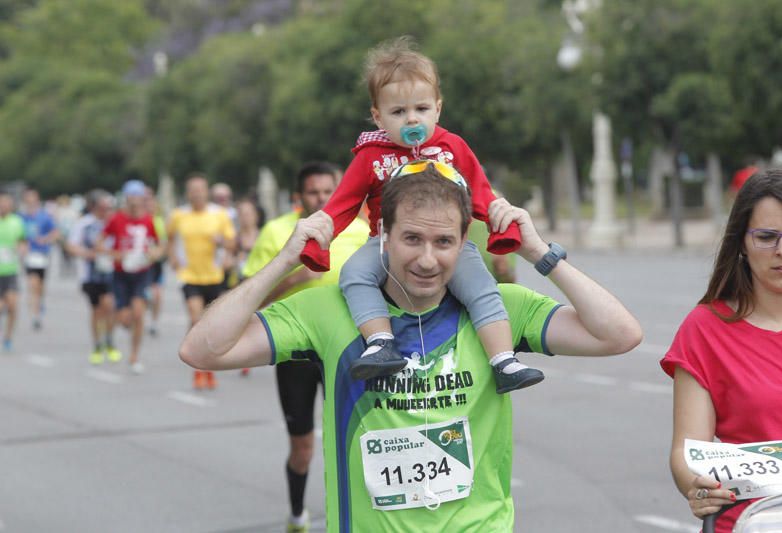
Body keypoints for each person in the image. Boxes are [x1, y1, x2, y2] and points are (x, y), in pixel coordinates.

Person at [180, 162, 642, 532]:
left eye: (444, 241)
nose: (427, 259)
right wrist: (284, 260)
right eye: (412, 239)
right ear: (382, 235)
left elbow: (619, 334)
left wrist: (539, 253)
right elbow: (203, 350)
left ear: (464, 242)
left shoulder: (499, 313)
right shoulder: (328, 310)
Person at [299, 36, 540, 395]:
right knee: (353, 273)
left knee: (482, 288)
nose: (412, 119)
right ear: (379, 116)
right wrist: (322, 232)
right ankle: (381, 342)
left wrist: (497, 218)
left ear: (438, 109)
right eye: (398, 112)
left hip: (446, 245)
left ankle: (503, 359)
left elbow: (481, 191)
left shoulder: (451, 146)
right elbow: (343, 203)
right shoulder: (371, 155)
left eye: (421, 109)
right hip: (385, 244)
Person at [662, 168, 782, 532]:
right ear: (741, 241)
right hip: (751, 523)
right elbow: (687, 450)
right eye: (767, 237)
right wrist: (696, 485)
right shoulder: (705, 329)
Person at [241, 162, 369, 532]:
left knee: (355, 441)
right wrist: (296, 275)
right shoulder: (278, 232)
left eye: (328, 190)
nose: (321, 198)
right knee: (303, 447)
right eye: (312, 192)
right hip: (294, 352)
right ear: (299, 196)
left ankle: (353, 518)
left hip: (345, 353)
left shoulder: (360, 232)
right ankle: (297, 514)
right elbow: (250, 295)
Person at [167, 174, 235, 390]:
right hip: (189, 275)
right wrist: (173, 258)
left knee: (210, 323)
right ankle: (198, 368)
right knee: (196, 317)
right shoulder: (179, 215)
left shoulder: (220, 214)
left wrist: (223, 248)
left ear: (207, 192)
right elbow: (169, 239)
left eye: (200, 189)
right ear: (188, 193)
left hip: (214, 275)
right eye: (193, 190)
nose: (197, 193)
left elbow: (232, 243)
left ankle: (208, 367)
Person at [98, 180, 163, 374]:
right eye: (131, 196)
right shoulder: (116, 219)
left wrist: (153, 254)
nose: (135, 200)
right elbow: (99, 244)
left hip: (142, 273)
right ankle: (113, 331)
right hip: (120, 274)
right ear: (126, 197)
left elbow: (160, 246)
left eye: (138, 196)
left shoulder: (150, 220)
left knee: (138, 313)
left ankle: (134, 355)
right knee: (125, 319)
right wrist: (115, 254)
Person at [66, 190, 123, 365]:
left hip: (112, 272)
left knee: (111, 306)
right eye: (102, 207)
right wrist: (88, 253)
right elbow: (71, 246)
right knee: (97, 310)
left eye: (108, 207)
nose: (106, 210)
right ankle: (98, 344)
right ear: (94, 207)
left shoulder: (114, 222)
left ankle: (109, 340)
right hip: (90, 275)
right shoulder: (84, 224)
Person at [19, 188, 59, 331]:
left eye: (33, 198)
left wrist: (45, 239)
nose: (30, 200)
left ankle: (39, 304)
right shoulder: (21, 217)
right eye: (28, 198)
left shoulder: (44, 217)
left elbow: (55, 232)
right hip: (29, 255)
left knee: (41, 286)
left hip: (43, 255)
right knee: (32, 284)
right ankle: (35, 315)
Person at [0, 190, 27, 351]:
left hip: (10, 271)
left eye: (6, 203)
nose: (3, 206)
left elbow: (23, 241)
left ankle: (8, 337)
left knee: (13, 306)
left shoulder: (17, 222)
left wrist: (22, 249)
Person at [144, 187, 167, 337]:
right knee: (143, 294)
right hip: (139, 263)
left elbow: (164, 242)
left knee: (157, 294)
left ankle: (154, 321)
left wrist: (157, 253)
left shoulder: (159, 221)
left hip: (154, 263)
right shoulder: (137, 219)